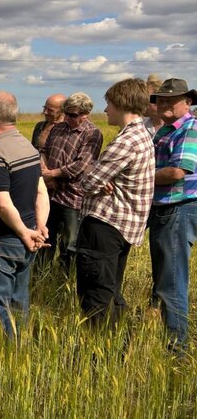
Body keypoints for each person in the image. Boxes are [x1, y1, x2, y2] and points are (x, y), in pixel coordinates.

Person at [75, 78, 154, 327]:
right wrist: (100, 176)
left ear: (121, 103)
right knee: (110, 290)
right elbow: (98, 178)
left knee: (96, 294)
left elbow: (86, 184)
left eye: (109, 103)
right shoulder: (142, 135)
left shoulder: (125, 141)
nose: (106, 109)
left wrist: (93, 173)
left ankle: (96, 355)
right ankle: (115, 347)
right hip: (121, 227)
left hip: (105, 226)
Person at [0, 90, 49, 339]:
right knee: (18, 307)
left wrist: (23, 232)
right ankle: (18, 362)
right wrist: (38, 227)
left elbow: (2, 203)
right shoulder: (27, 146)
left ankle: (0, 369)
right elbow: (41, 191)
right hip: (26, 241)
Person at [148, 78, 197, 351]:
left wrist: (137, 178)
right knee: (166, 278)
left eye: (172, 99)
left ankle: (177, 348)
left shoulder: (189, 128)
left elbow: (177, 172)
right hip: (166, 208)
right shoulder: (166, 130)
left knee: (172, 281)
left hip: (178, 207)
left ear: (187, 102)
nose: (164, 104)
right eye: (161, 99)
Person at [38, 92, 103, 271]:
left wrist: (52, 174)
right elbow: (43, 150)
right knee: (44, 236)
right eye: (66, 113)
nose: (67, 118)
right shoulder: (58, 128)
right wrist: (45, 174)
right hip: (49, 193)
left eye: (73, 115)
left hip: (72, 197)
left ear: (85, 114)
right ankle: (40, 273)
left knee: (69, 242)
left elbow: (81, 165)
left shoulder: (92, 133)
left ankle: (64, 277)